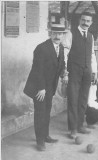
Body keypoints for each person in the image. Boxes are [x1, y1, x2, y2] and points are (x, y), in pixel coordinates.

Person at [23, 22, 67, 151]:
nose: (57, 36)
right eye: (55, 33)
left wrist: (63, 72)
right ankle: (40, 141)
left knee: (47, 111)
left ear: (63, 35)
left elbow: (61, 63)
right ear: (50, 34)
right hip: (39, 87)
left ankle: (45, 135)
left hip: (50, 87)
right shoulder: (41, 48)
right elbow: (38, 70)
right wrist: (41, 88)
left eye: (60, 34)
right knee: (40, 113)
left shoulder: (62, 48)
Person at [67, 12, 98, 139]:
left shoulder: (90, 36)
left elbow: (92, 55)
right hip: (74, 70)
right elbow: (65, 52)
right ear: (80, 20)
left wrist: (94, 71)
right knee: (73, 99)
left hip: (87, 71)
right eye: (83, 20)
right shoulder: (70, 33)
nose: (85, 23)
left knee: (83, 99)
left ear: (91, 23)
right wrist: (65, 71)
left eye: (88, 21)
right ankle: (73, 128)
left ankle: (80, 125)